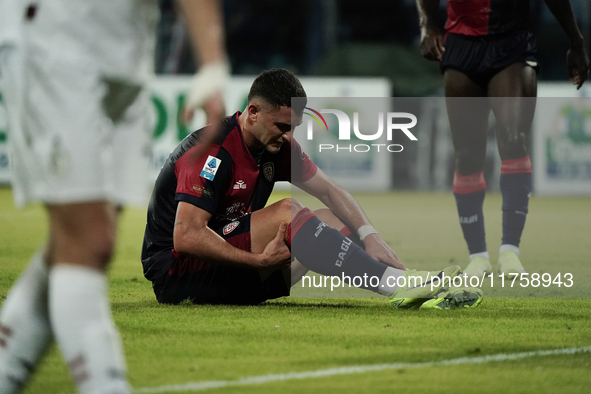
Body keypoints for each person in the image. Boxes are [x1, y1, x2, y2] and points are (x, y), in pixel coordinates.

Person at [0, 0, 229, 393]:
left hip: (127, 47)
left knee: (73, 246)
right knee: (91, 241)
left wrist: (212, 63)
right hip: (55, 34)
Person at [141, 68, 483, 311]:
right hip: (177, 276)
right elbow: (185, 237)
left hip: (236, 271)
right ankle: (395, 284)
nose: (289, 137)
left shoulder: (276, 147)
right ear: (253, 112)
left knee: (334, 221)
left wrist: (371, 235)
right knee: (289, 211)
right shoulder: (213, 150)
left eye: (295, 128)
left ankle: (407, 285)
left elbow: (332, 191)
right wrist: (257, 260)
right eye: (282, 126)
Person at [416, 0, 590, 278]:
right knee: (467, 154)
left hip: (512, 44)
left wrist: (576, 41)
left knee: (514, 137)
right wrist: (428, 25)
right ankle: (478, 256)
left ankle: (510, 250)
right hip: (461, 43)